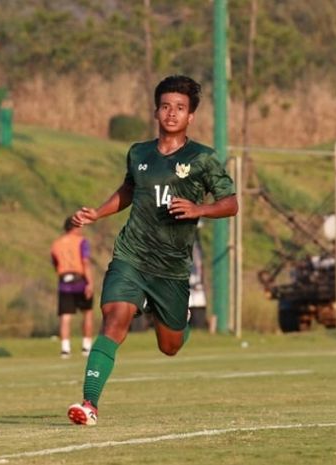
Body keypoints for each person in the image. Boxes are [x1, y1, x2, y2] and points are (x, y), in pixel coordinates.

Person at [66, 75, 238, 426]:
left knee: (169, 346)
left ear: (190, 116)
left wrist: (198, 209)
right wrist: (98, 212)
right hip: (131, 255)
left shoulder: (202, 158)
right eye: (165, 106)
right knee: (115, 318)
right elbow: (129, 190)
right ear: (156, 111)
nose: (171, 113)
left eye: (180, 108)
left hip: (171, 268)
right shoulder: (139, 153)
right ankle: (89, 404)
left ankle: (179, 319)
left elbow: (231, 203)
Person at [50, 217, 95, 358]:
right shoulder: (81, 241)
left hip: (64, 282)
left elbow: (55, 264)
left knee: (65, 316)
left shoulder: (56, 244)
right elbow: (85, 262)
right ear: (75, 227)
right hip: (80, 280)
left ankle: (65, 349)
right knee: (87, 313)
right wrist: (90, 282)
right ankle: (86, 347)